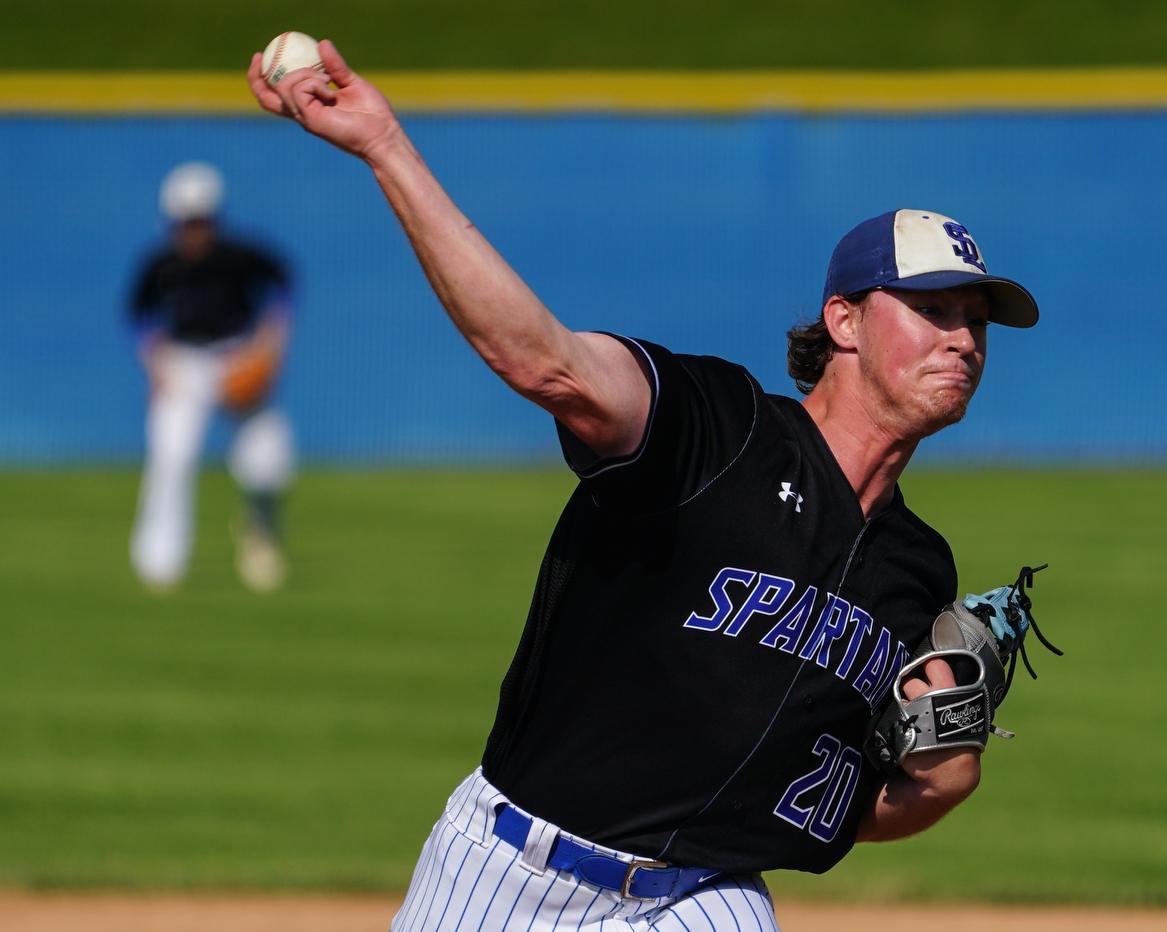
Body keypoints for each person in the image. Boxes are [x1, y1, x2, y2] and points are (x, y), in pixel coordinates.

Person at [249, 43, 1040, 932]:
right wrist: (385, 145)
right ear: (843, 321)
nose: (963, 339)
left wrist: (946, 775)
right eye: (933, 310)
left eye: (976, 321)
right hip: (514, 870)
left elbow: (828, 810)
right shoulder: (716, 428)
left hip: (707, 897)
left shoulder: (914, 570)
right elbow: (546, 364)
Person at [127, 161, 296, 593]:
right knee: (171, 457)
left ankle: (260, 534)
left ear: (216, 218)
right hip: (182, 363)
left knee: (268, 461)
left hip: (237, 356)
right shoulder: (160, 263)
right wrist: (154, 368)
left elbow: (284, 285)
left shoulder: (241, 256)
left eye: (201, 220)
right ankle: (160, 563)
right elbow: (139, 316)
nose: (194, 230)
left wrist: (269, 348)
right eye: (185, 222)